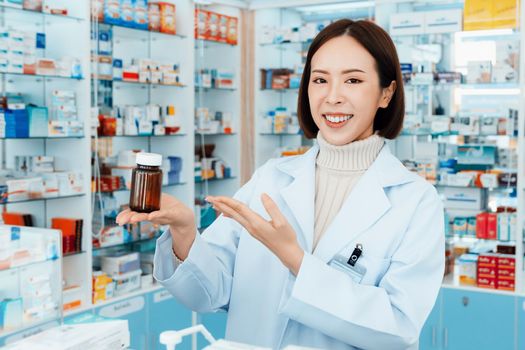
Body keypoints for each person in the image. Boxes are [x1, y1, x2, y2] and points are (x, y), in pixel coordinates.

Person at [117, 19, 445, 350]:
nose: (333, 97)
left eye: (353, 80)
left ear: (386, 93)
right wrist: (185, 233)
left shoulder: (415, 201)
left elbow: (398, 328)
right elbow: (207, 292)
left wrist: (294, 257)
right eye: (320, 80)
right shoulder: (271, 178)